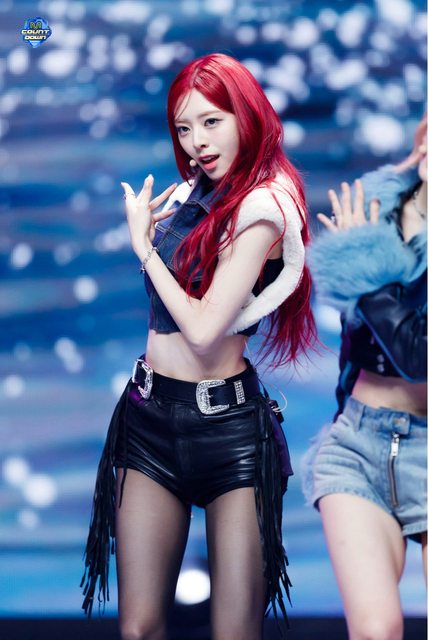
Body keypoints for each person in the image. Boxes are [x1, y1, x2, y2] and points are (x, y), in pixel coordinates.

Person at [81, 53, 316, 640]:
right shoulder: (195, 196)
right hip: (148, 418)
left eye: (212, 122)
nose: (196, 142)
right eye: (184, 128)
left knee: (234, 632)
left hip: (230, 433)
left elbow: (205, 328)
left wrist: (145, 248)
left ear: (246, 115)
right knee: (138, 629)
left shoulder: (265, 207)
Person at [302, 114, 427, 640]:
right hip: (358, 441)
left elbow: (417, 356)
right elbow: (354, 346)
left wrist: (364, 267)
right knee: (376, 630)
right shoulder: (371, 211)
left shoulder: (361, 238)